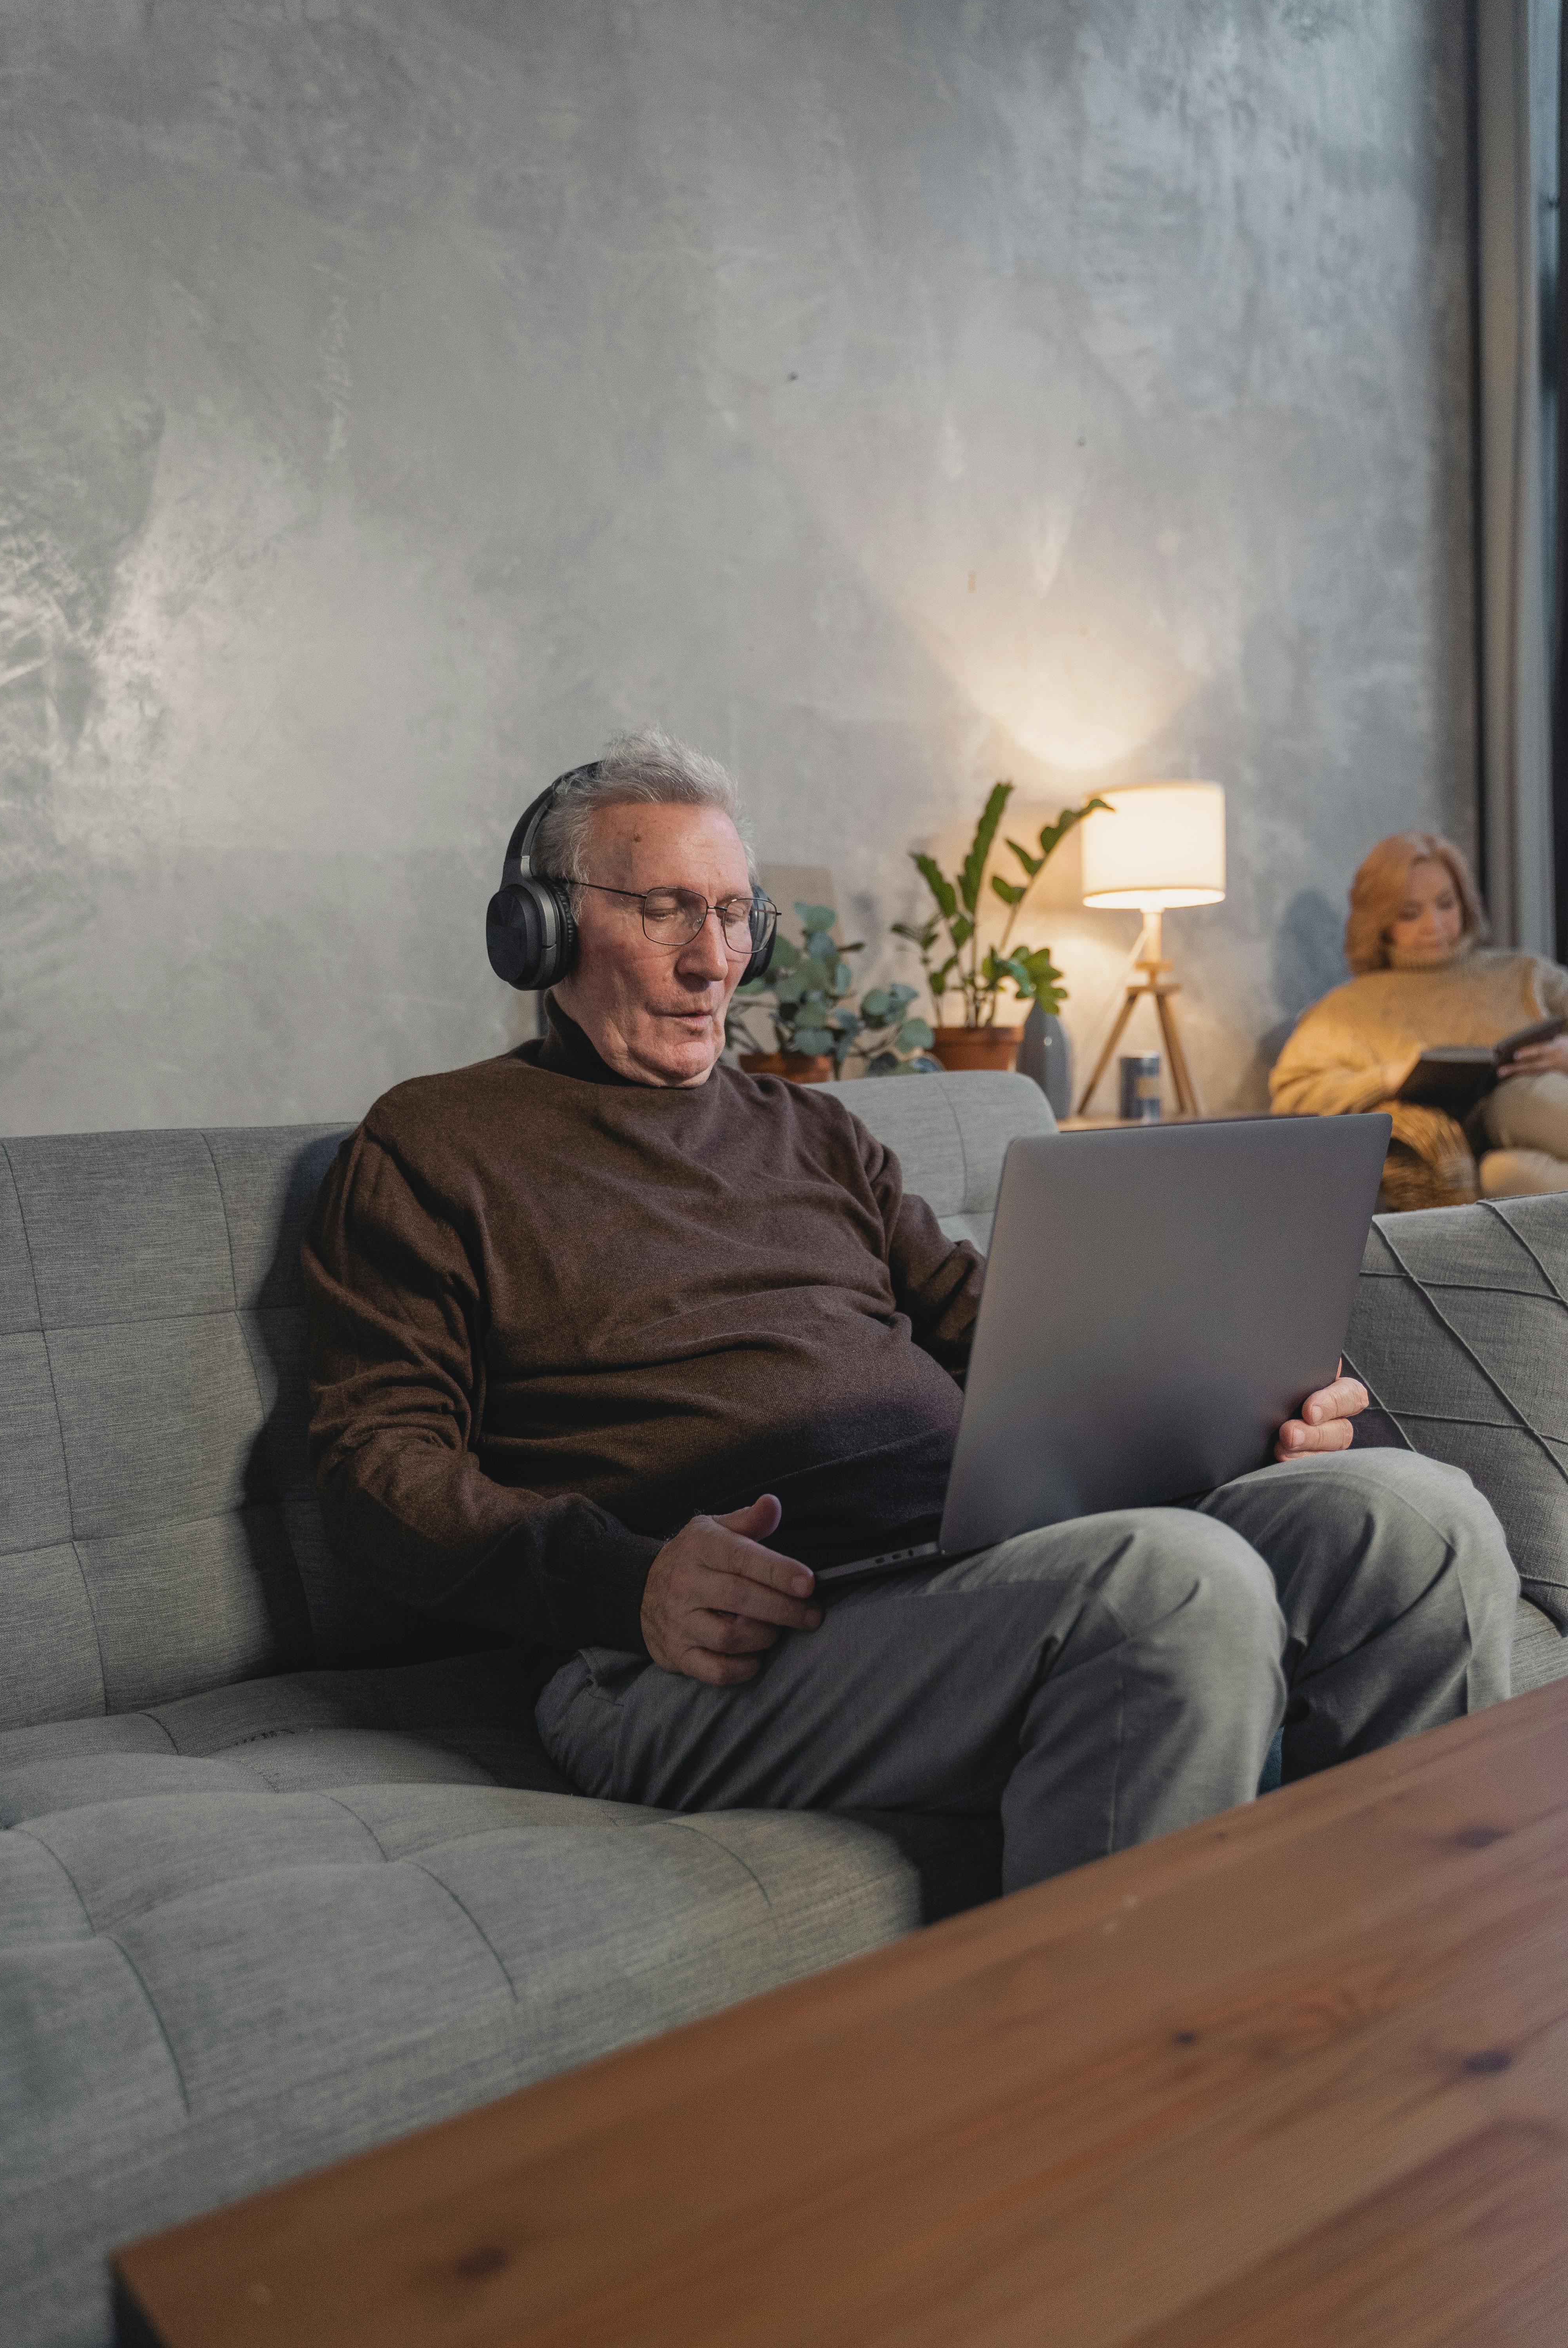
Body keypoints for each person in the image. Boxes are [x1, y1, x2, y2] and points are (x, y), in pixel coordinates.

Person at [303, 737, 1517, 1897]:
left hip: (967, 1563)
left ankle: (1389, 2006)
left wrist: (1243, 1393)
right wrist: (626, 1584)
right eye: (665, 907)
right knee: (1177, 1582)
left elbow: (1008, 1329)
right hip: (687, 1646)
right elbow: (376, 1468)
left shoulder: (815, 1130)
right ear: (545, 929)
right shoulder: (436, 1142)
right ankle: (1144, 2090)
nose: (713, 957)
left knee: (1419, 1521)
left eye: (735, 914)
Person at [1271, 830, 1568, 1207]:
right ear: (1380, 923)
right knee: (1501, 1173)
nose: (1434, 925)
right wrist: (1389, 1077)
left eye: (1447, 904)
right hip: (1468, 1161)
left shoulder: (1524, 973)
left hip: (1537, 1111)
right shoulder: (1344, 1012)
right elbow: (1293, 1097)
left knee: (1513, 1108)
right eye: (1410, 914)